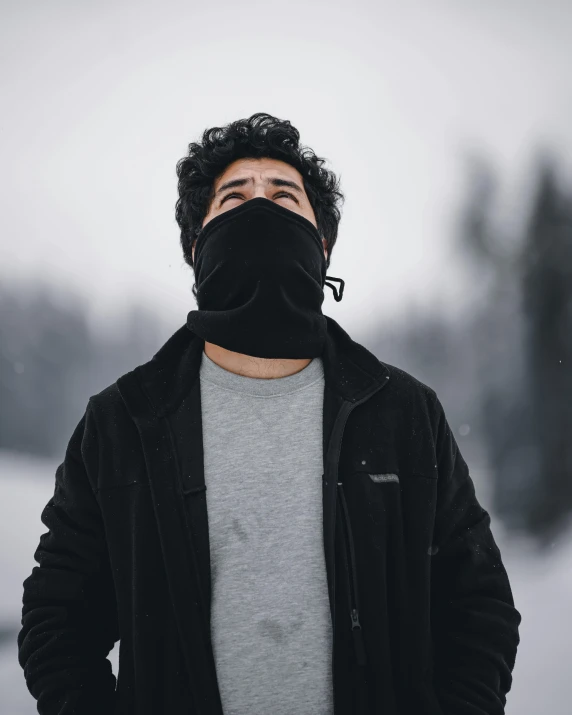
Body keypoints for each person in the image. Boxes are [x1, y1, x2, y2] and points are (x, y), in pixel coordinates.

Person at [17, 112, 521, 715]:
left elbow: (480, 608)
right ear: (197, 248)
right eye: (234, 197)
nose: (261, 208)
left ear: (323, 244)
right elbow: (56, 621)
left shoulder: (405, 413)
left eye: (285, 196)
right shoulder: (122, 422)